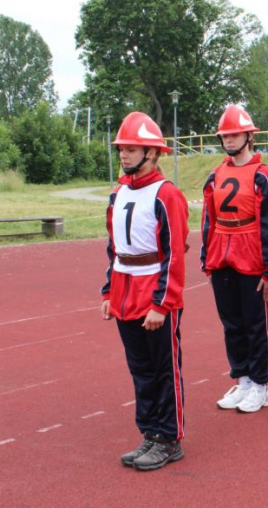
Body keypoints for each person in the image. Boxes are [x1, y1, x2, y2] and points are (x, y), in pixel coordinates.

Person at [100, 112, 189, 471]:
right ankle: (150, 432)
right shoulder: (118, 193)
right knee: (140, 369)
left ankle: (169, 438)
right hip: (124, 291)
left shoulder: (166, 194)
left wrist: (162, 303)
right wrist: (108, 292)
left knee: (163, 368)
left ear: (152, 153)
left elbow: (174, 253)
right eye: (121, 148)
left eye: (131, 148)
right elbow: (114, 247)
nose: (123, 154)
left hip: (154, 293)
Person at [201, 104, 268, 414]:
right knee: (232, 324)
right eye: (226, 135)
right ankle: (244, 379)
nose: (231, 139)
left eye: (236, 134)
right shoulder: (215, 175)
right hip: (222, 254)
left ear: (249, 136)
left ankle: (261, 386)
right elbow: (208, 219)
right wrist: (206, 259)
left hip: (251, 256)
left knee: (255, 324)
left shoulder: (263, 176)